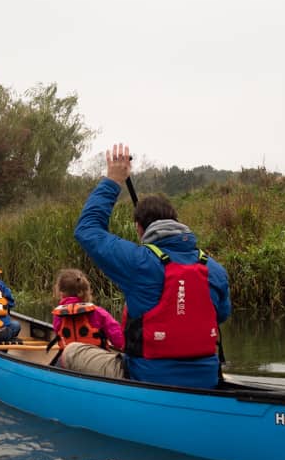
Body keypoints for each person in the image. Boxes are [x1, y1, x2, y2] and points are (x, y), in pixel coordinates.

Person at [64, 143, 231, 388]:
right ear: (177, 223)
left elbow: (87, 229)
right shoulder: (214, 269)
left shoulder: (138, 262)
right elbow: (222, 314)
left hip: (148, 378)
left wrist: (113, 181)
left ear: (139, 229)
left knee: (73, 351)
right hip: (206, 378)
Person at [50, 268, 124, 356]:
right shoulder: (99, 313)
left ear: (61, 293)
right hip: (95, 361)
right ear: (86, 291)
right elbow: (120, 342)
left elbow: (59, 336)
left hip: (69, 360)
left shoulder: (58, 316)